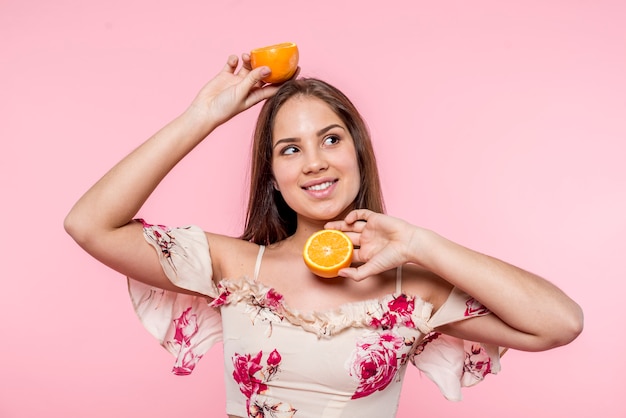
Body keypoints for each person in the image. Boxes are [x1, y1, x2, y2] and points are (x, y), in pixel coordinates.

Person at [64, 53, 583, 418]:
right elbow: (90, 225)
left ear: (357, 153)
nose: (314, 163)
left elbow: (559, 324)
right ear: (271, 173)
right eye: (290, 149)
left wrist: (421, 244)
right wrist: (202, 117)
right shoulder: (236, 268)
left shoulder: (412, 288)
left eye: (331, 139)